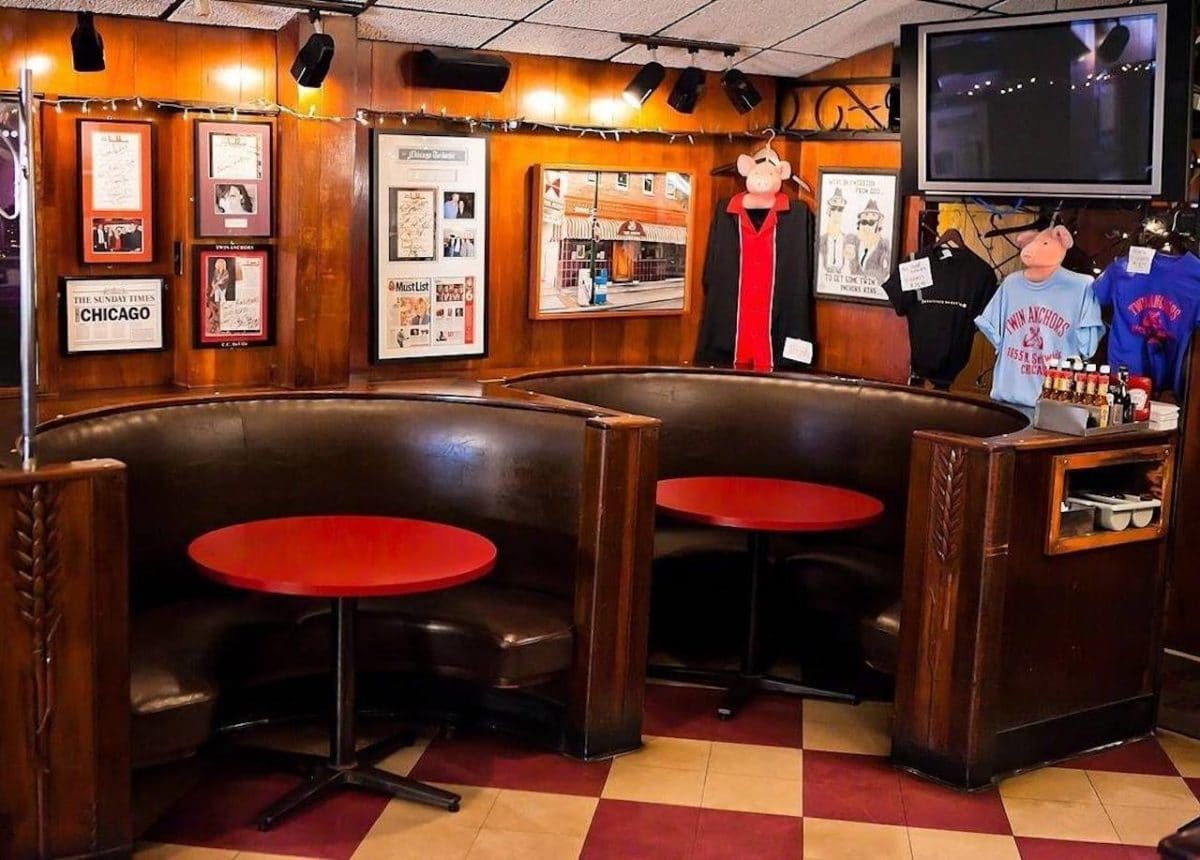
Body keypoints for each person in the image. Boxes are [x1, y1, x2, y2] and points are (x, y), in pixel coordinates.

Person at [818, 187, 849, 273]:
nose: (836, 212)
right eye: (834, 208)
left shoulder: (848, 240)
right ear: (829, 210)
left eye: (840, 209)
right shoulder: (821, 239)